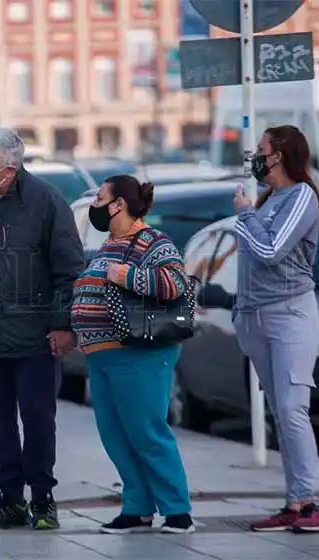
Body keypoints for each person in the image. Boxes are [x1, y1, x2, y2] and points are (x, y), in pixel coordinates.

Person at [0, 127, 85, 530]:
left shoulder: (46, 202)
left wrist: (64, 324)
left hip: (36, 336)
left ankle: (42, 499)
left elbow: (69, 271)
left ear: (10, 168)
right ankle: (9, 499)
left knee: (38, 417)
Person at [70, 175, 195, 535]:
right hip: (102, 357)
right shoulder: (111, 243)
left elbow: (176, 283)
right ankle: (137, 507)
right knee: (116, 436)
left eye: (100, 196)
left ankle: (177, 511)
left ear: (118, 204)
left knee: (147, 432)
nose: (95, 204)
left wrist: (124, 274)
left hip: (138, 354)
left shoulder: (152, 241)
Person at [232, 125, 319, 533]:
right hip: (254, 316)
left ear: (281, 155)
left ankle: (311, 504)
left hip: (289, 314)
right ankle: (294, 500)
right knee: (280, 412)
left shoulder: (302, 196)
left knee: (292, 409)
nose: (255, 157)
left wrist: (244, 213)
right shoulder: (271, 199)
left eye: (261, 150)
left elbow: (270, 251)